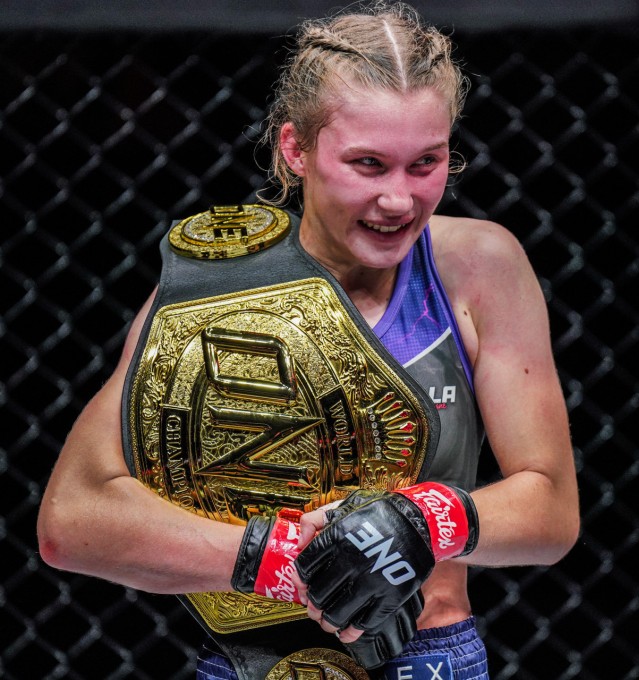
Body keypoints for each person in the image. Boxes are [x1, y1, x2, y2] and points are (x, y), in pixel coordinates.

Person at [36, 3, 579, 679]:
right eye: (368, 164)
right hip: (252, 665)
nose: (399, 200)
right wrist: (286, 562)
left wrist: (421, 520)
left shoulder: (477, 267)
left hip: (425, 658)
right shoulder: (218, 288)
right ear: (296, 150)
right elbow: (73, 519)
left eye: (426, 163)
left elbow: (552, 510)